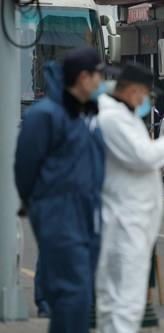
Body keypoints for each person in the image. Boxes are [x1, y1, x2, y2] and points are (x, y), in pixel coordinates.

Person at [14, 48, 106, 333]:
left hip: (85, 212)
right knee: (72, 291)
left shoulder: (80, 116)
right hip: (59, 211)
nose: (102, 82)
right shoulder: (45, 115)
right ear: (82, 77)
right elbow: (25, 167)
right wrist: (36, 202)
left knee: (79, 292)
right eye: (99, 75)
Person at [96, 63, 164, 333]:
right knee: (125, 298)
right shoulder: (112, 118)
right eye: (148, 94)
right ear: (134, 90)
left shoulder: (121, 115)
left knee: (122, 299)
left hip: (130, 218)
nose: (149, 101)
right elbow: (144, 156)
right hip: (124, 219)